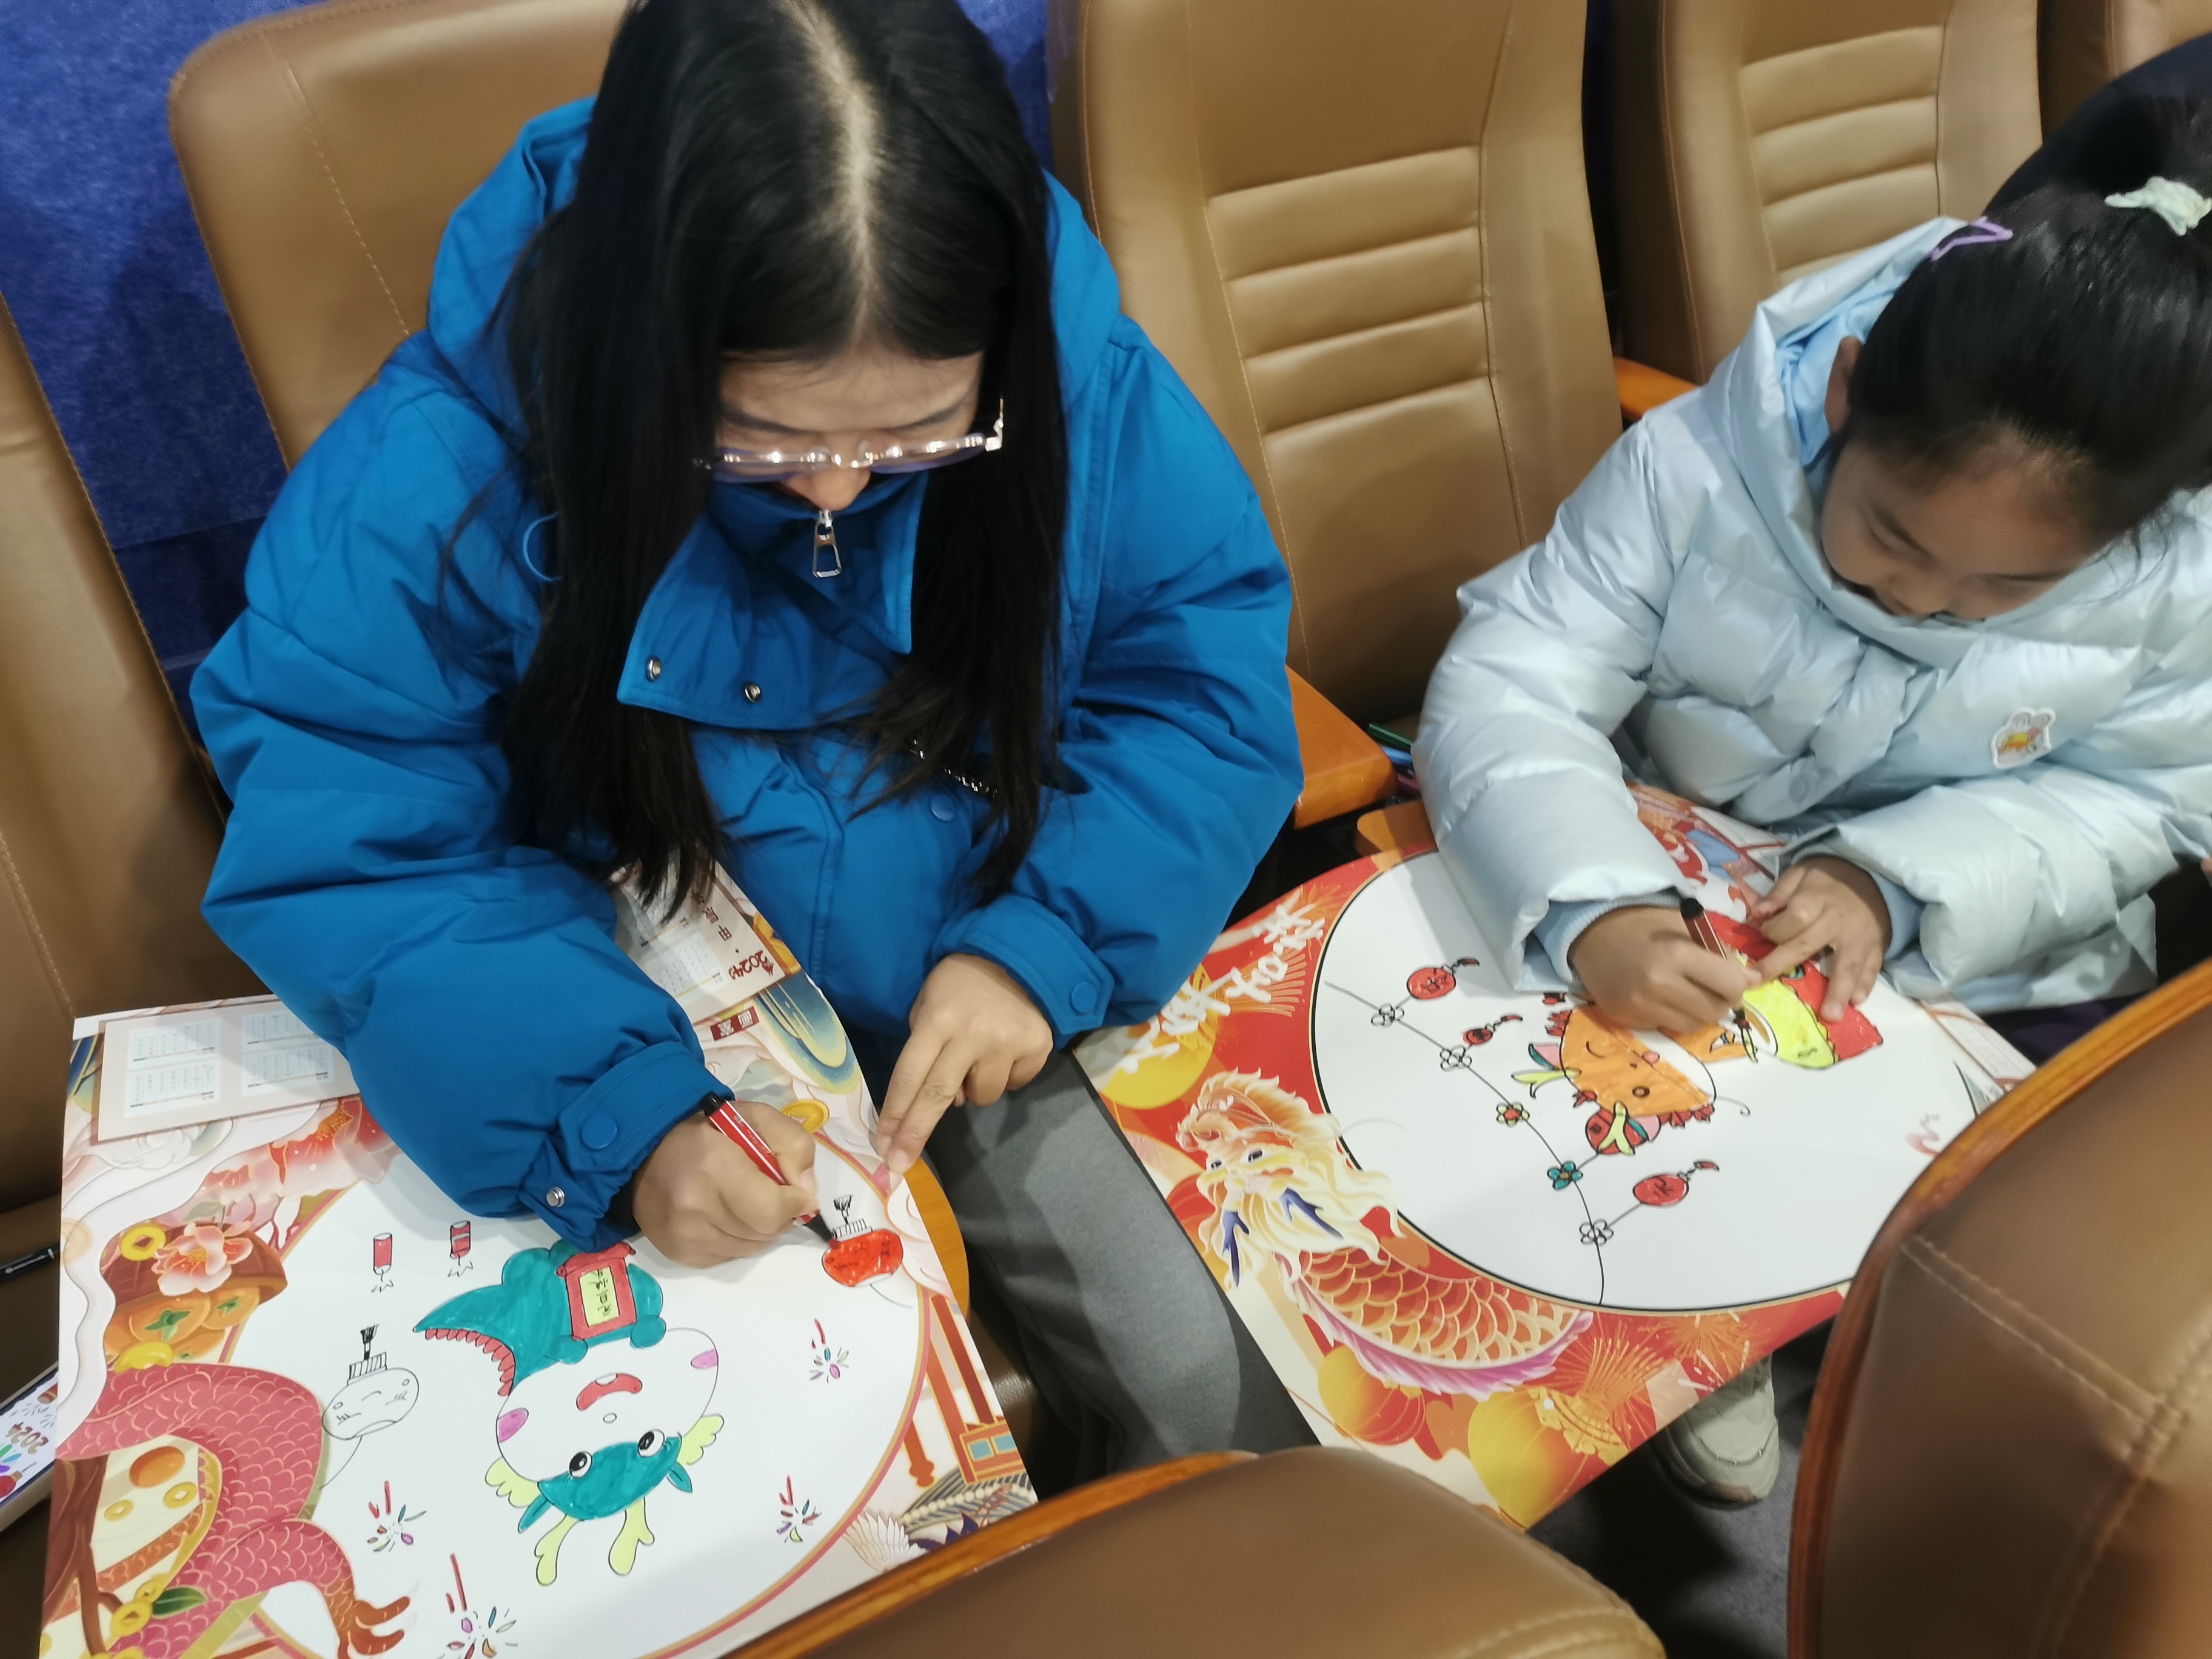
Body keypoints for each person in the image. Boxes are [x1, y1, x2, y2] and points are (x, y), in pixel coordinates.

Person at [192, 0, 1313, 1479]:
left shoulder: (1080, 386)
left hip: (988, 981)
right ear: (642, 342)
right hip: (632, 1030)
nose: (840, 491)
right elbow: (367, 846)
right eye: (764, 442)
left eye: (917, 436)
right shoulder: (438, 472)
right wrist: (619, 1117)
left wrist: (1047, 942)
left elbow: (1196, 681)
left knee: (1220, 1395)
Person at [1415, 106, 2212, 1504]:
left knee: (2065, 1246)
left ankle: (1882, 1326)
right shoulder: (1691, 472)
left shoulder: (2170, 583)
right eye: (1891, 535)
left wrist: (1900, 881)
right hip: (1672, 870)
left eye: (2011, 590)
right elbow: (1513, 680)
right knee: (1609, 1123)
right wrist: (1597, 901)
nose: (1926, 598)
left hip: (1986, 944)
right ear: (1843, 392)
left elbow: (2148, 800)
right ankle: (1717, 1317)